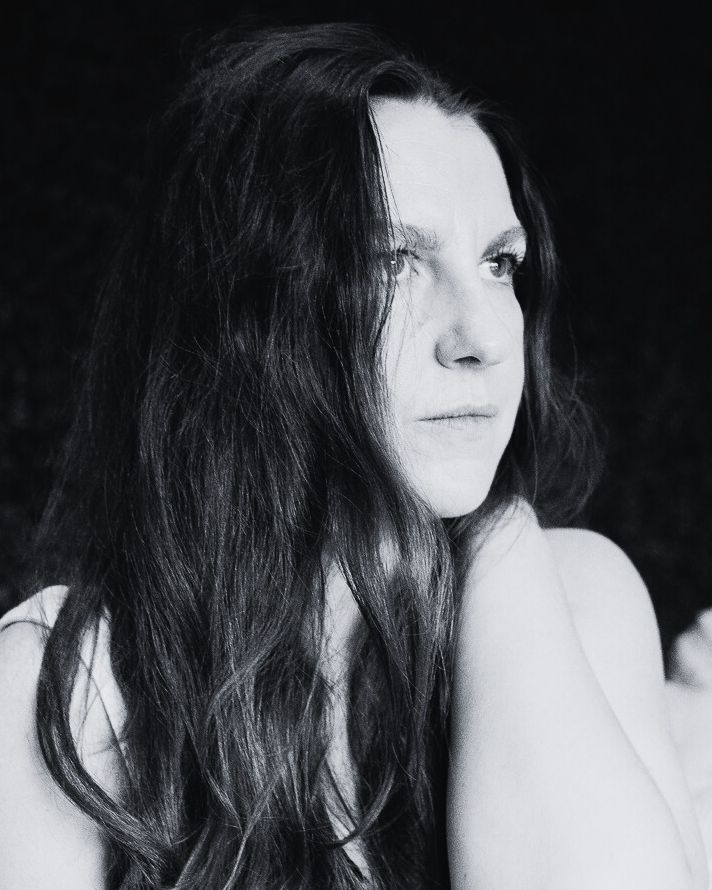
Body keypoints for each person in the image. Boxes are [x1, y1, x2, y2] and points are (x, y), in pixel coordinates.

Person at [0, 22, 707, 890]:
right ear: (250, 309)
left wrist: (503, 546)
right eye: (394, 262)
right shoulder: (65, 691)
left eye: (499, 264)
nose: (483, 337)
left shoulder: (575, 598)